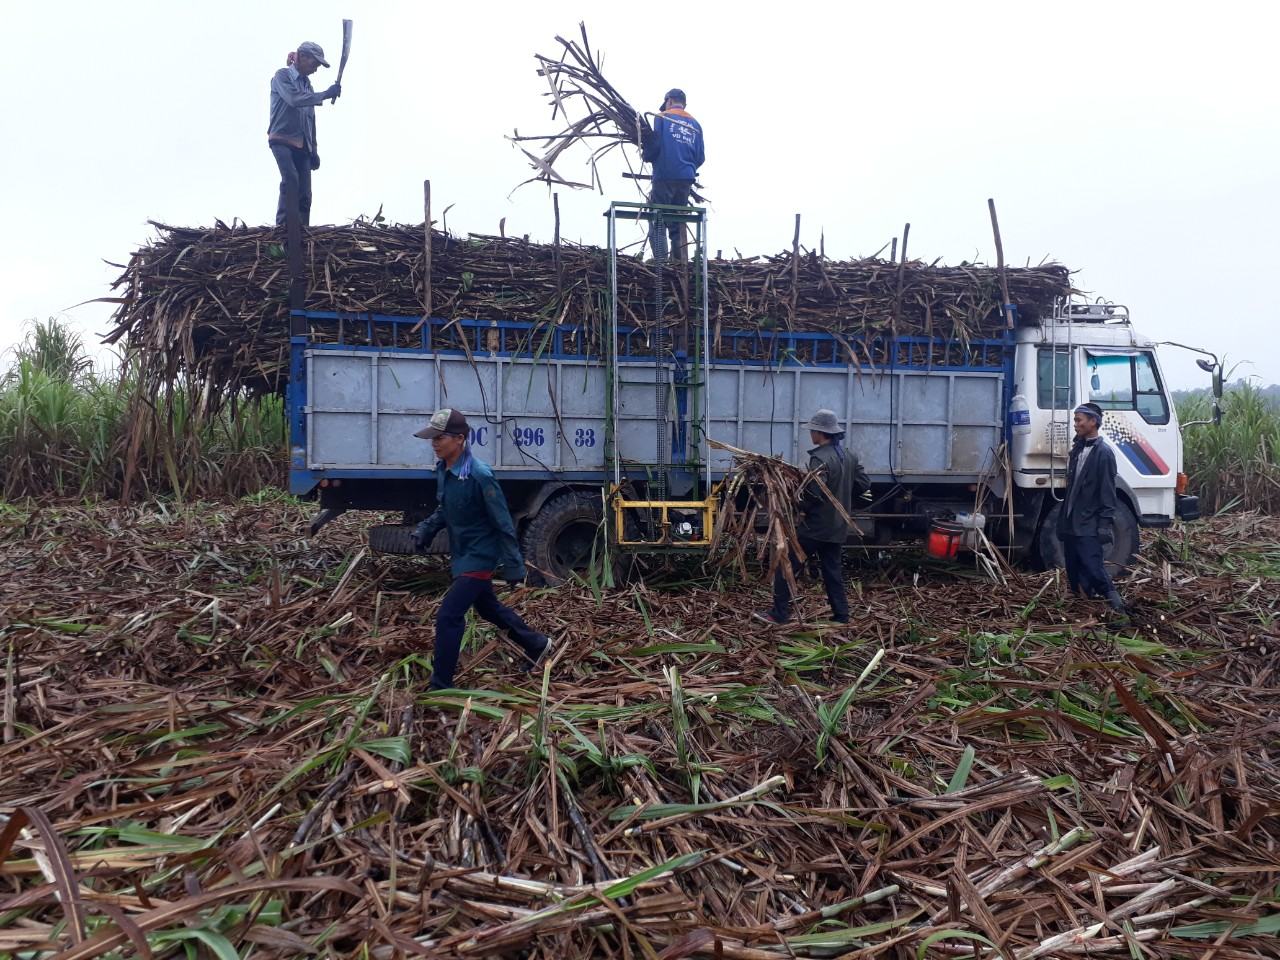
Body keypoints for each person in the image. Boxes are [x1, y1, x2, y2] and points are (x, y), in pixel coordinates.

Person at [410, 408, 552, 690]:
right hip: (462, 554)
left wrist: (514, 567)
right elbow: (444, 508)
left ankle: (441, 686)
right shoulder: (445, 471)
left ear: (460, 439)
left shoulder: (480, 475)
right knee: (488, 609)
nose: (434, 443)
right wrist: (426, 529)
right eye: (432, 438)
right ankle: (537, 643)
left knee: (449, 616)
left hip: (480, 556)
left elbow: (502, 523)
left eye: (440, 437)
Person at [756, 410, 869, 625]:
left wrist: (799, 504)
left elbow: (814, 493)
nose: (811, 435)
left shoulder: (820, 458)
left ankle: (778, 614)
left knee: (786, 565)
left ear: (821, 433)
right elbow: (864, 484)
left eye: (813, 431)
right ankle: (842, 616)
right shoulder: (850, 456)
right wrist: (843, 497)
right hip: (838, 526)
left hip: (816, 527)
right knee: (832, 571)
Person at [1057, 402, 1127, 614]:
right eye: (1075, 420)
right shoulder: (1077, 449)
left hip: (1088, 523)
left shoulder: (1104, 454)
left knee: (1093, 567)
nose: (1075, 424)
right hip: (1072, 521)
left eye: (1079, 420)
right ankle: (1083, 608)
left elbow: (1107, 492)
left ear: (1093, 422)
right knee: (1073, 568)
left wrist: (1104, 524)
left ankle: (1118, 608)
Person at [269, 41, 342, 228]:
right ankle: (284, 227)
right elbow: (294, 99)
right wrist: (325, 94)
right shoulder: (282, 76)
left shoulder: (308, 86)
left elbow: (310, 121)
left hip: (303, 145)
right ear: (301, 57)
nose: (316, 68)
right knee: (291, 179)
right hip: (282, 139)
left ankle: (302, 229)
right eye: (314, 63)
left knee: (305, 194)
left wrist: (313, 149)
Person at [641, 88, 705, 260]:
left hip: (664, 176)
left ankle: (661, 262)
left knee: (658, 218)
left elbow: (655, 146)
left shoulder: (661, 117)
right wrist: (685, 167)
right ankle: (678, 262)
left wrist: (646, 155)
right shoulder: (696, 125)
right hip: (686, 178)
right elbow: (700, 157)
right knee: (677, 221)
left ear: (669, 101)